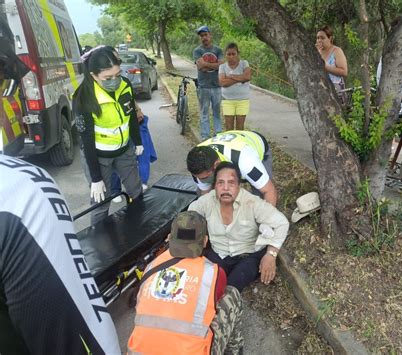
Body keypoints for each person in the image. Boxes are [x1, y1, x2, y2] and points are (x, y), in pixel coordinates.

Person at [0, 23, 120, 352]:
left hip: (119, 155)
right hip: (102, 160)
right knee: (102, 211)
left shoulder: (115, 90)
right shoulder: (19, 193)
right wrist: (95, 176)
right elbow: (86, 340)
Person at [128, 211, 243, 355]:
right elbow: (214, 304)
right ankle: (235, 350)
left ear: (169, 238)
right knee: (231, 294)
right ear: (205, 241)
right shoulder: (213, 273)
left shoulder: (150, 267)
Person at [188, 162, 289, 292]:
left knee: (230, 288)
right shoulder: (207, 201)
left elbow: (281, 223)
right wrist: (179, 233)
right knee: (204, 284)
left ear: (238, 185)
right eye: (220, 183)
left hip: (247, 256)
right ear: (215, 186)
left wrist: (271, 254)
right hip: (219, 253)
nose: (225, 188)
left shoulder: (252, 203)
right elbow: (190, 216)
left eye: (231, 183)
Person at [73, 46, 144, 224]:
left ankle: (139, 229)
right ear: (93, 75)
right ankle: (100, 245)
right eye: (108, 78)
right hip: (97, 157)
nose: (115, 81)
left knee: (136, 192)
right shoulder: (83, 98)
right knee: (101, 204)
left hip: (124, 150)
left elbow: (131, 116)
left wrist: (138, 141)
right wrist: (96, 178)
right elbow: (86, 140)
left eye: (117, 75)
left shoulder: (125, 85)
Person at [186, 130, 278, 206]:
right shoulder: (196, 161)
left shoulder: (246, 161)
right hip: (229, 142)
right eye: (198, 177)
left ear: (216, 164)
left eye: (205, 178)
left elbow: (268, 191)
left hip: (254, 143)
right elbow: (204, 194)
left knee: (260, 196)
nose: (201, 180)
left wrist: (266, 222)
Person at [193, 25, 224, 140]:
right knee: (204, 113)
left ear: (210, 35)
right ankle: (205, 137)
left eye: (205, 35)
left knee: (217, 112)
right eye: (201, 36)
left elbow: (221, 66)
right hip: (203, 86)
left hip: (216, 86)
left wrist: (207, 64)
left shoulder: (218, 50)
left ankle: (218, 135)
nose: (204, 38)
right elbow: (201, 67)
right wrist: (214, 65)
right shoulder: (197, 51)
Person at [218, 43, 251, 131]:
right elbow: (222, 82)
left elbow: (247, 77)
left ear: (238, 54)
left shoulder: (244, 63)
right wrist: (240, 78)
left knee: (240, 128)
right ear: (225, 55)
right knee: (229, 128)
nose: (231, 56)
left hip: (242, 100)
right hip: (227, 100)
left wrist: (230, 77)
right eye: (229, 54)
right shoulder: (222, 67)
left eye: (233, 54)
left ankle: (239, 145)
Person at [316, 25, 348, 104]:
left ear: (330, 39)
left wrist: (326, 67)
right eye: (318, 38)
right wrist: (316, 53)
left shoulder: (336, 51)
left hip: (335, 89)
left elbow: (344, 71)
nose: (319, 40)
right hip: (320, 89)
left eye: (322, 38)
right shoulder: (316, 51)